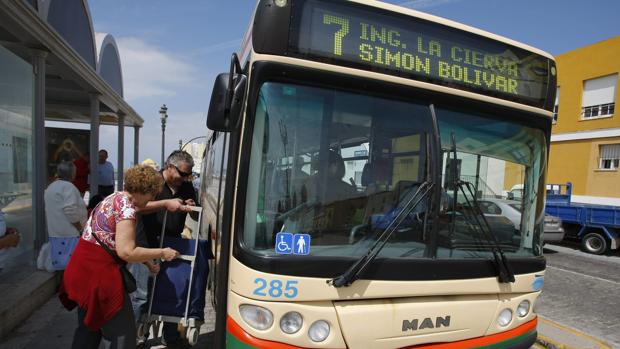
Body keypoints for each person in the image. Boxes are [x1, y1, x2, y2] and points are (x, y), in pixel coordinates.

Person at [60, 165, 180, 349]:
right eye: (153, 195)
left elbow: (116, 243)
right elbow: (126, 252)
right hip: (99, 279)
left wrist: (147, 263)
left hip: (80, 272)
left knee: (89, 329)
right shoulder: (127, 210)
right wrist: (162, 252)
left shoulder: (114, 198)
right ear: (144, 191)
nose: (152, 199)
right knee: (122, 335)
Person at [136, 150, 198, 347]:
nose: (185, 178)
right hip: (146, 245)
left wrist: (191, 206)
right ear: (170, 167)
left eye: (189, 175)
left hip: (173, 245)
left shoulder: (187, 187)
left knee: (173, 291)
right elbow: (137, 206)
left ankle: (170, 335)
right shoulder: (152, 182)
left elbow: (196, 216)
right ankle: (138, 336)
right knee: (143, 294)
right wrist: (165, 204)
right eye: (182, 173)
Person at [44, 161, 88, 270]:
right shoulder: (68, 187)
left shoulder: (51, 186)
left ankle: (63, 285)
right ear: (72, 174)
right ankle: (67, 286)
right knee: (71, 266)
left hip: (56, 232)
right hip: (69, 234)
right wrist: (79, 227)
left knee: (61, 265)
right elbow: (70, 210)